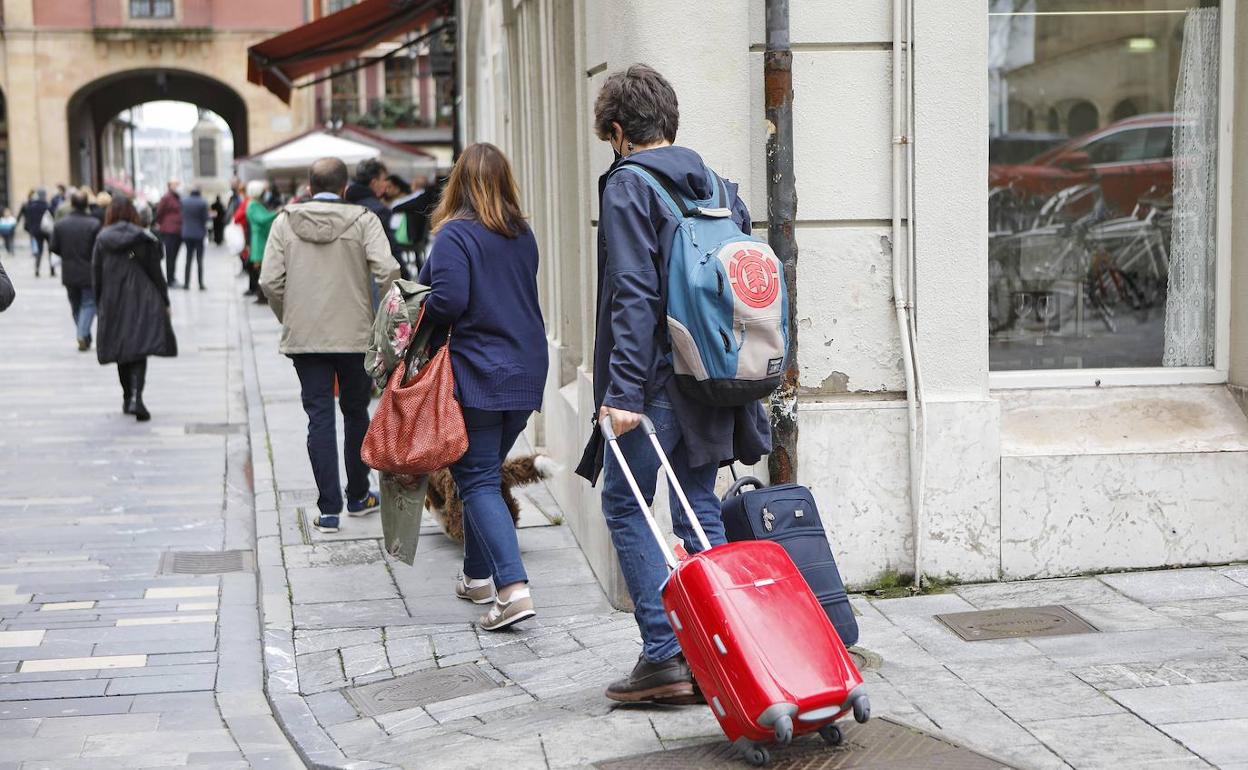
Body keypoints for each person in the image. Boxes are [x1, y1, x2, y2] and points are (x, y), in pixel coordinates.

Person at [574, 64, 771, 704]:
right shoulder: (718, 186)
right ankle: (732, 644)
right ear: (672, 122)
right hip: (710, 375)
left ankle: (664, 654)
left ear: (618, 131)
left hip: (654, 380)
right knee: (697, 504)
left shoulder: (628, 187)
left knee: (626, 505)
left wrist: (623, 395)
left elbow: (631, 295)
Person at [416, 143, 548, 631]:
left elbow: (448, 300)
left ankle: (512, 589)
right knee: (485, 471)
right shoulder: (522, 234)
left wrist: (416, 316)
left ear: (458, 183)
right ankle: (476, 576)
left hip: (481, 371)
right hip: (527, 368)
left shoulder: (454, 235)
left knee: (476, 480)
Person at [259, 157, 398, 535]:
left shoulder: (285, 222)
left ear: (308, 185)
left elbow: (269, 280)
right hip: (354, 333)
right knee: (355, 410)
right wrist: (380, 317)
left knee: (318, 415)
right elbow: (387, 270)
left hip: (306, 338)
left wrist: (290, 315)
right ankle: (358, 494)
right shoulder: (363, 219)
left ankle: (329, 509)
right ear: (344, 188)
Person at [93, 195, 177, 422]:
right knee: (139, 346)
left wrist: (98, 302)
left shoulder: (102, 238)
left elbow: (97, 273)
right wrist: (165, 301)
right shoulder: (142, 238)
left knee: (122, 348)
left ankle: (127, 395)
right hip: (142, 298)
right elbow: (156, 273)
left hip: (112, 299)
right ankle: (137, 397)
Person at [50, 192, 102, 351]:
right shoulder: (94, 224)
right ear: (86, 204)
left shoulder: (60, 225)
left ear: (72, 204)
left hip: (69, 271)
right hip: (88, 271)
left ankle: (83, 335)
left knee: (76, 305)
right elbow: (99, 248)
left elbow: (53, 247)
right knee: (89, 303)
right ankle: (82, 334)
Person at [345, 158, 406, 278]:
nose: (387, 184)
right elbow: (390, 251)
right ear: (374, 182)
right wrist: (405, 277)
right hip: (372, 279)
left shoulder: (344, 205)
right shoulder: (379, 210)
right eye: (384, 180)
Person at [245, 180, 280, 305]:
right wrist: (276, 212)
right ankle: (262, 295)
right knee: (261, 269)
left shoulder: (255, 204)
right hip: (259, 240)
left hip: (261, 238)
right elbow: (262, 219)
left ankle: (262, 295)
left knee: (262, 269)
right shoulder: (253, 205)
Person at [154, 179, 183, 288]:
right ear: (169, 185)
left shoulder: (177, 197)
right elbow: (159, 212)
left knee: (174, 256)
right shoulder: (166, 197)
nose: (176, 186)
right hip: (169, 231)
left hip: (178, 231)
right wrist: (162, 224)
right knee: (170, 255)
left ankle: (172, 277)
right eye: (175, 184)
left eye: (177, 184)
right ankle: (170, 279)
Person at [180, 187, 210, 291]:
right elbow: (206, 218)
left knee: (188, 259)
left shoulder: (184, 201)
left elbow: (181, 215)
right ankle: (200, 284)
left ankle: (186, 283)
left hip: (187, 233)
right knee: (199, 260)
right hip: (199, 234)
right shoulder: (203, 202)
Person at [18, 189, 51, 277]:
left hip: (36, 231)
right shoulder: (47, 205)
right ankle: (52, 269)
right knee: (50, 249)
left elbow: (29, 220)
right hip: (47, 230)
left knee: (39, 251)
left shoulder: (31, 206)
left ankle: (37, 268)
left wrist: (31, 230)